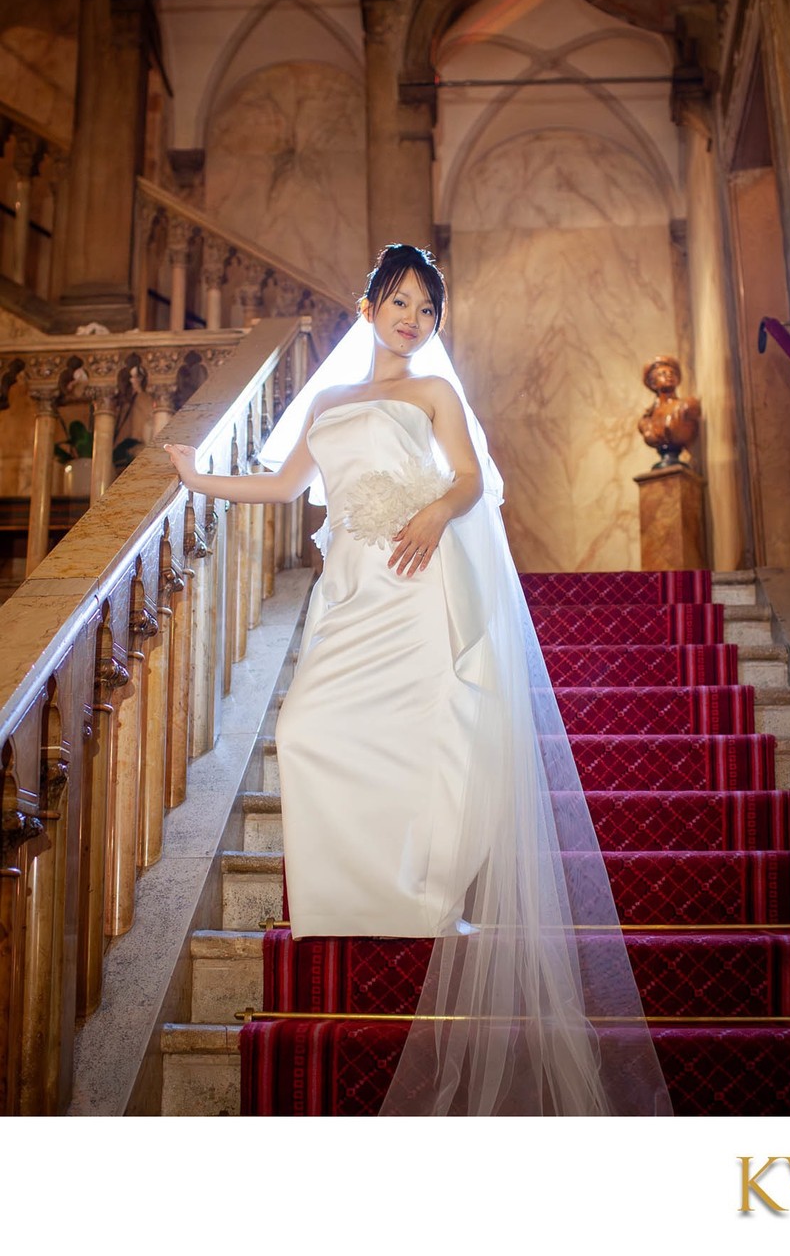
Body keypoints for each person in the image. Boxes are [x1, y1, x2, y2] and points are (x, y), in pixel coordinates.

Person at [164, 244, 673, 1118]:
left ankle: (424, 892)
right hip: (354, 585)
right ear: (366, 306)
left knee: (436, 727)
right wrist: (194, 475)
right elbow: (287, 487)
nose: (411, 317)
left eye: (426, 308)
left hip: (419, 573)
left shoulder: (435, 392)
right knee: (309, 729)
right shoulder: (326, 400)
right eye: (398, 301)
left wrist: (437, 511)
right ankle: (350, 889)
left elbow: (471, 478)